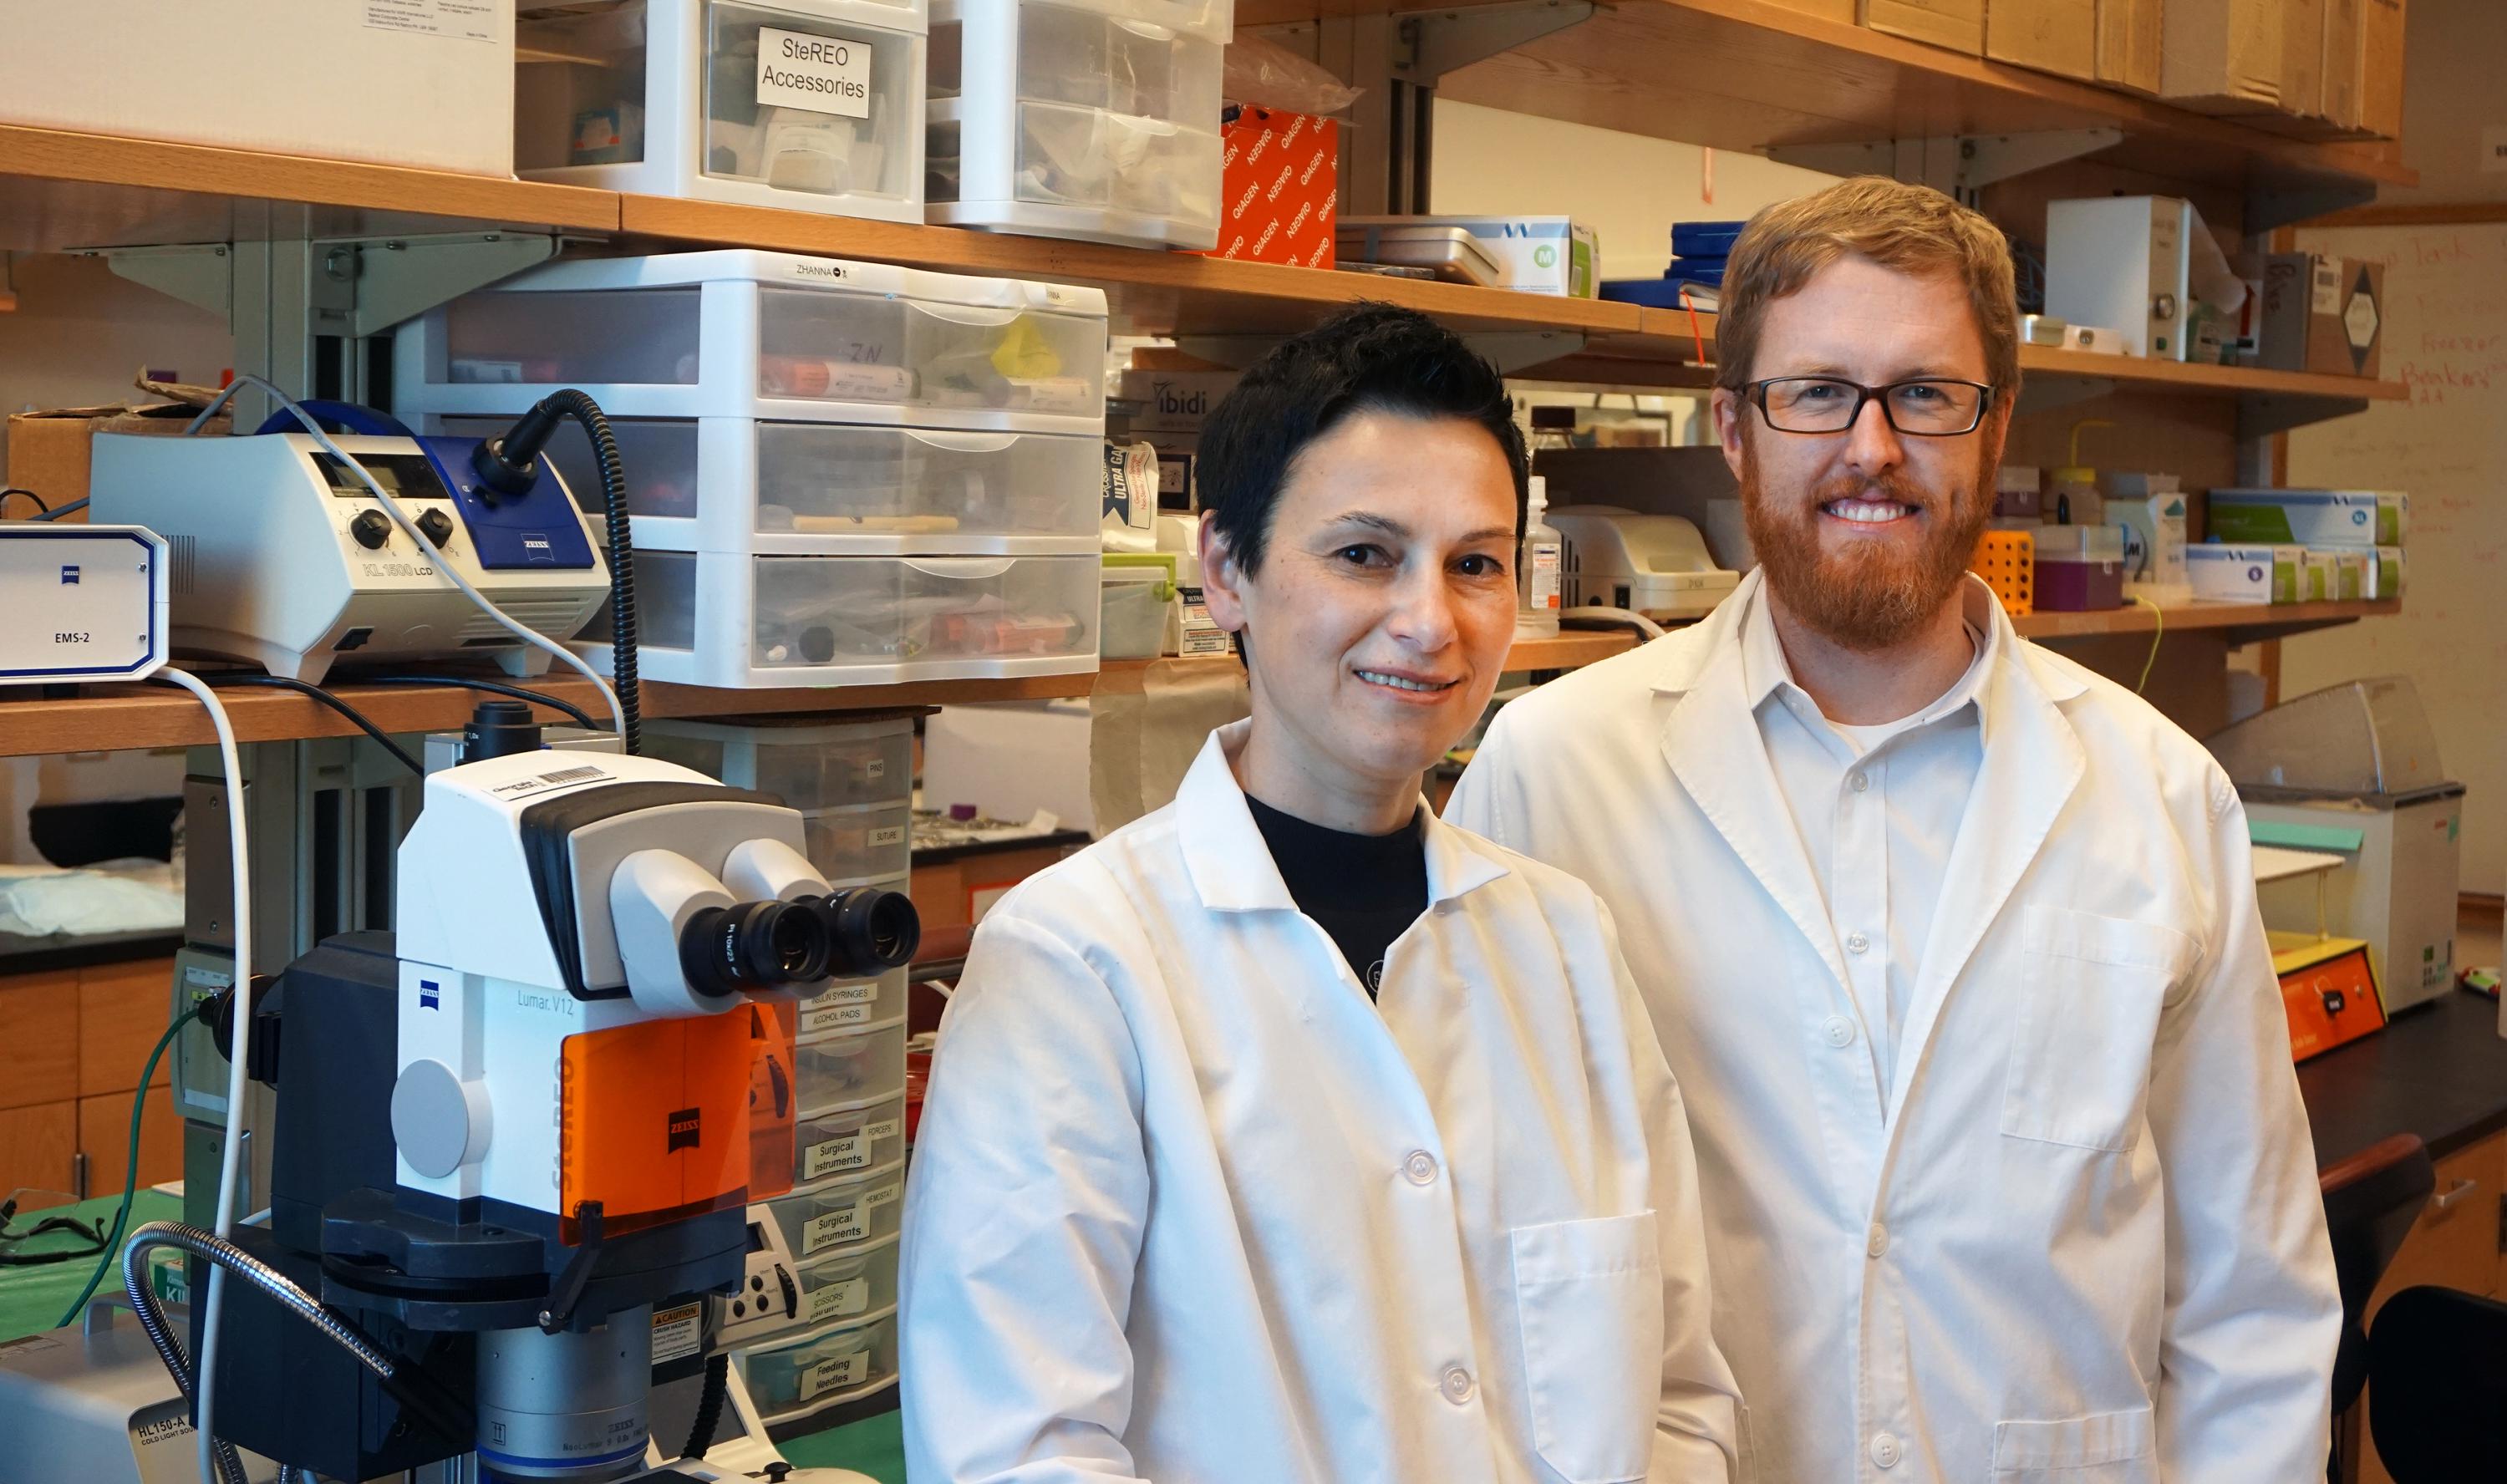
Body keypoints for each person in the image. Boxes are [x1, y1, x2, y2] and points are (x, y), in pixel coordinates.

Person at [1449, 177, 2339, 1482]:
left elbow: (2249, 1303)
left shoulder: (2159, 794)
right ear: (1735, 431)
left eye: (1926, 394)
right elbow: (1465, 1224)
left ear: (1996, 431)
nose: (1871, 447)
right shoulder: (1556, 772)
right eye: (1815, 391)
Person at [899, 304, 1737, 1484]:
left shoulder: (1562, 943)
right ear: (1226, 573)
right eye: (1364, 554)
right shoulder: (1077, 963)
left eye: (1476, 564)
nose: (1430, 620)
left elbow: (1680, 1392)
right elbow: (1016, 1453)